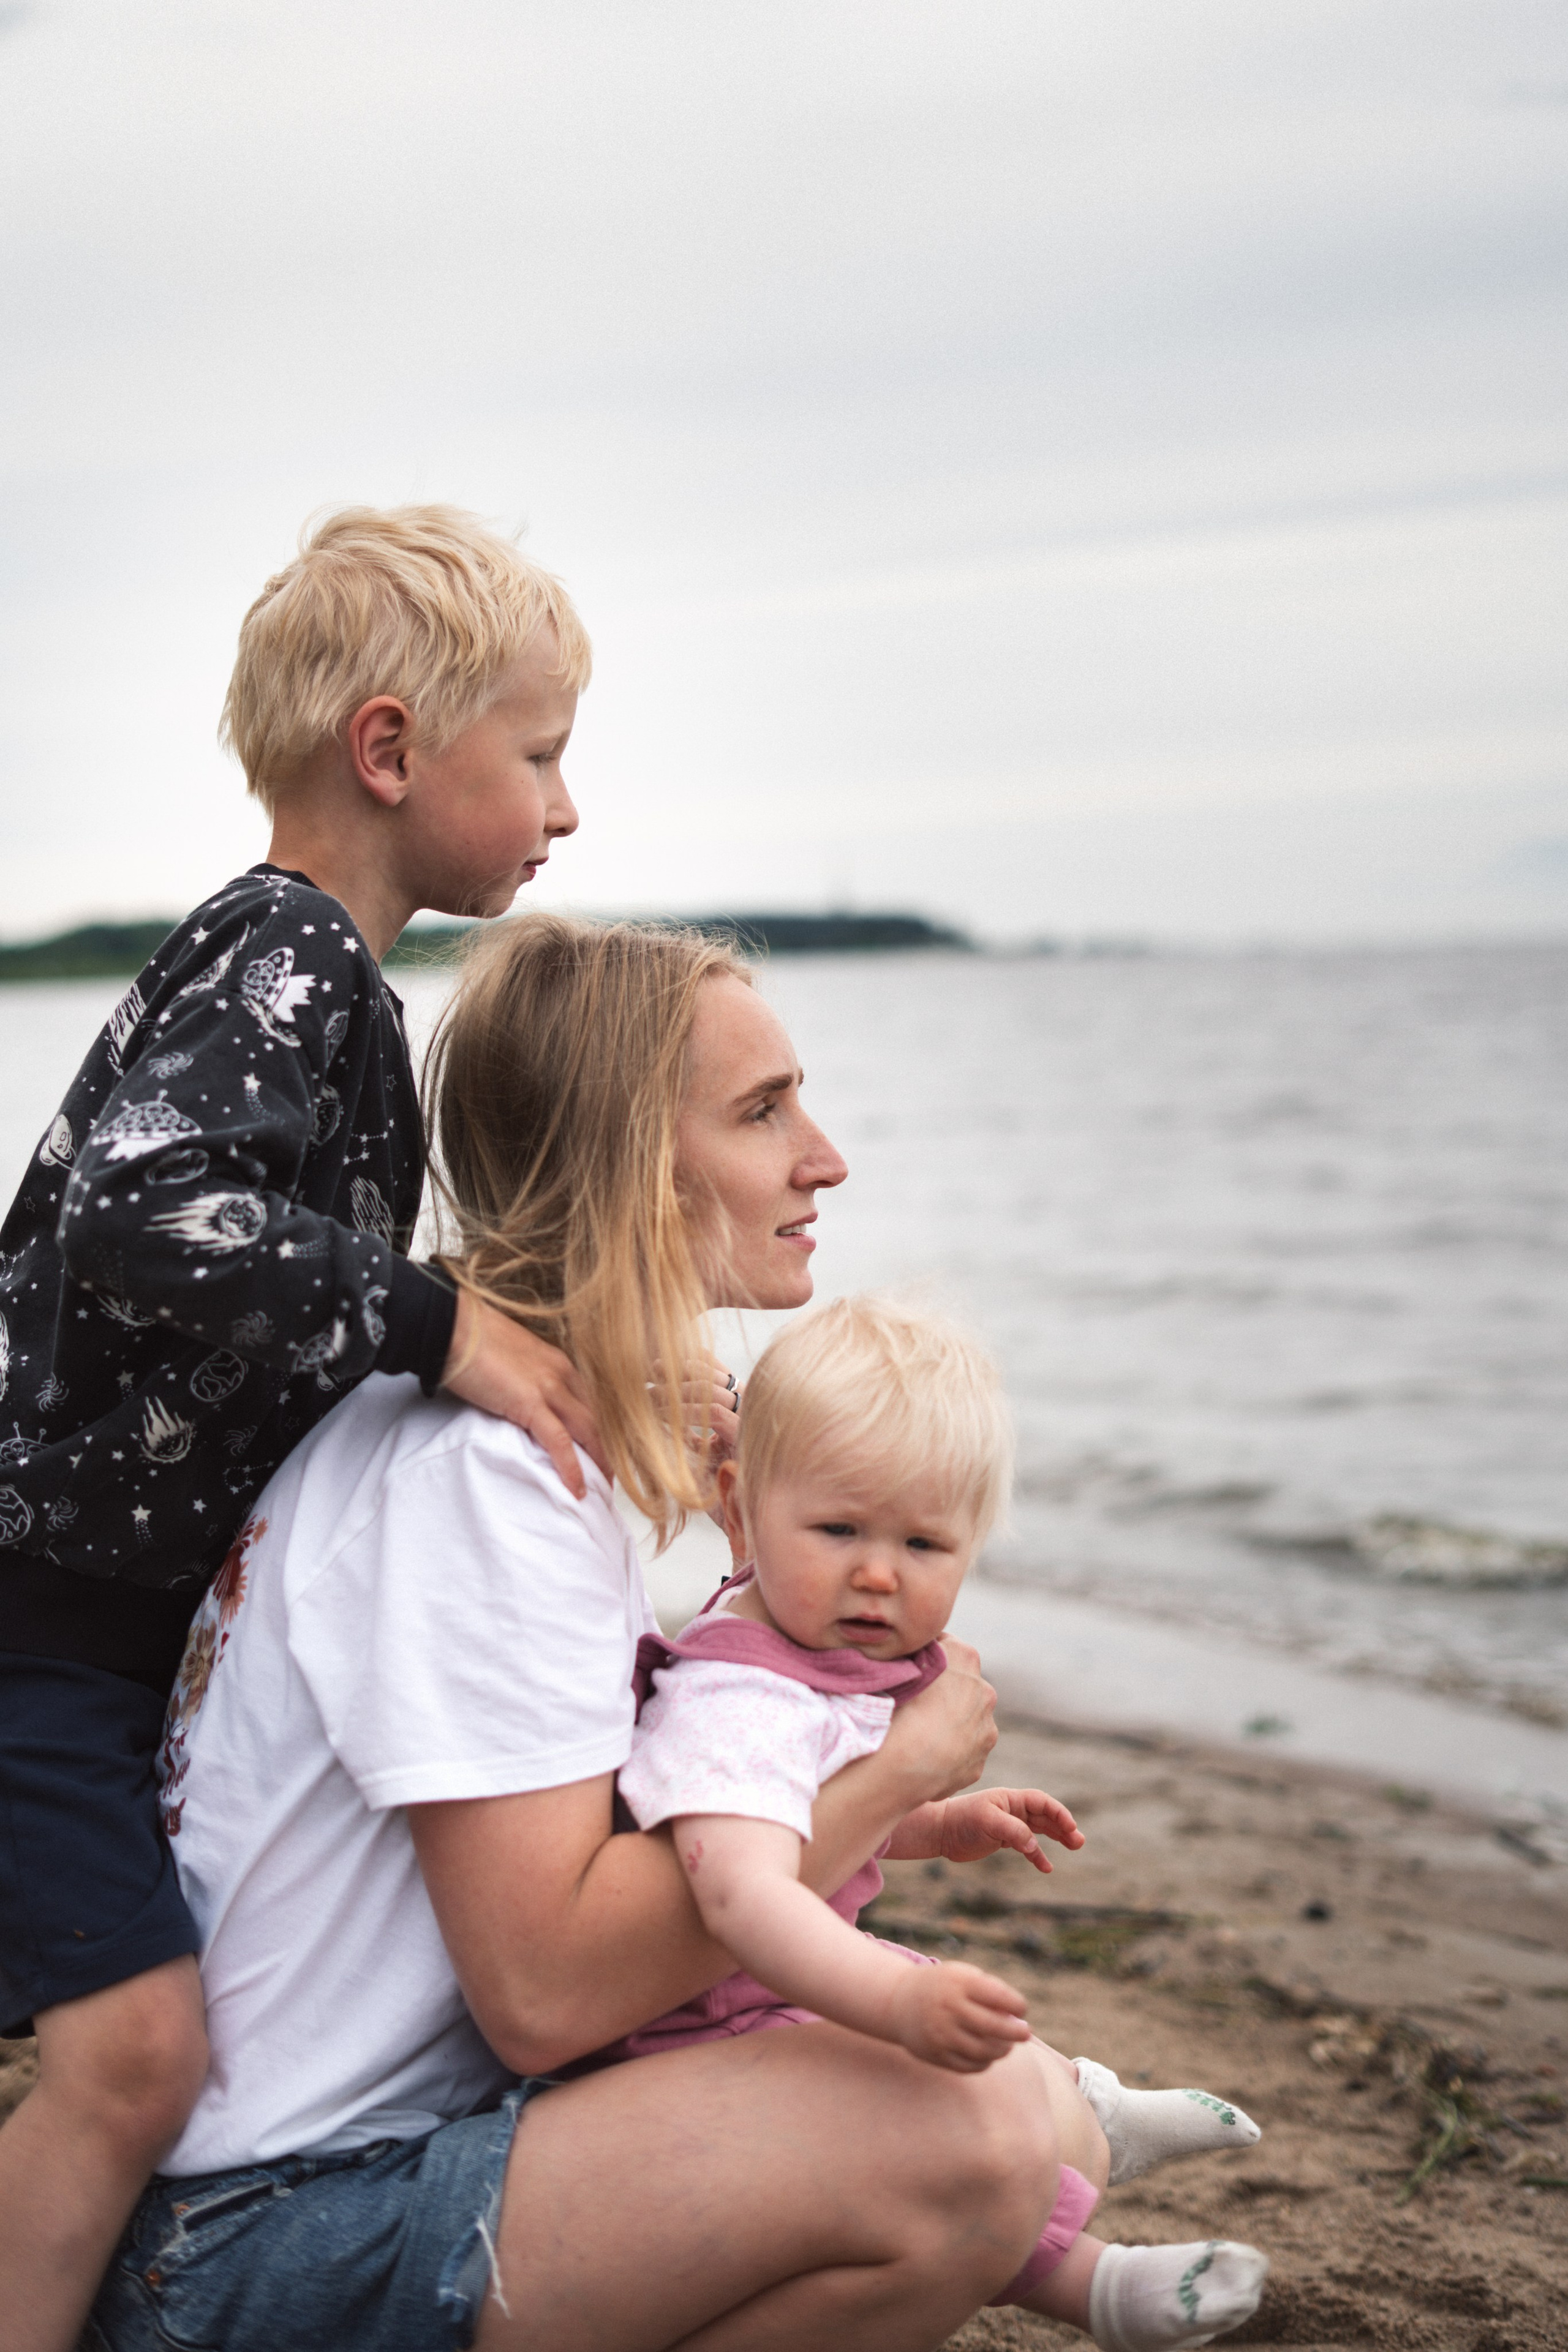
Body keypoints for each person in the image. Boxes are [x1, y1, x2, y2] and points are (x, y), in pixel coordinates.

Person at [87, 915, 1263, 2352]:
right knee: (970, 2153)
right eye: (763, 1113)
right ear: (633, 1167)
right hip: (266, 2236)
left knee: (1027, 2104)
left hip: (347, 2173)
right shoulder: (484, 1488)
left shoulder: (511, 1429)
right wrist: (892, 1774)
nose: (820, 1158)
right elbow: (549, 1989)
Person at [0, 507, 603, 2352]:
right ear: (395, 749)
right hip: (39, 1630)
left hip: (106, 1634)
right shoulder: (287, 956)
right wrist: (436, 1326)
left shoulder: (313, 990)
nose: (569, 808)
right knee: (135, 2055)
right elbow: (145, 1207)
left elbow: (269, 1286)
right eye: (545, 752)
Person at [610, 1293, 1268, 2346]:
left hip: (763, 1992)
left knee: (969, 2026)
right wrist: (890, 2008)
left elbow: (802, 1821)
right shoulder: (742, 1700)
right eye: (839, 1530)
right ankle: (1099, 2286)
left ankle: (1093, 2109)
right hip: (702, 2027)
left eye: (924, 1543)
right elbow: (738, 1889)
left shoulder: (793, 1633)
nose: (878, 1572)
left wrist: (931, 1822)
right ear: (739, 1504)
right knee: (929, 2079)